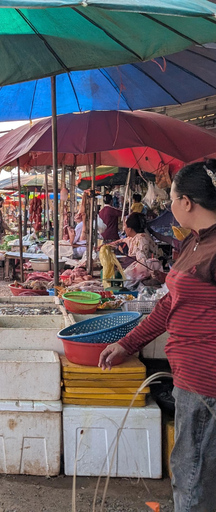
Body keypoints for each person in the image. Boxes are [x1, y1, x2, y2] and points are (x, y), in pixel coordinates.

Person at [99, 160, 216, 512]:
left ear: (187, 203)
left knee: (193, 477)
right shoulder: (193, 245)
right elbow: (168, 307)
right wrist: (127, 343)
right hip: (188, 379)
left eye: (173, 199)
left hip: (207, 381)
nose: (169, 207)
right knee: (191, 471)